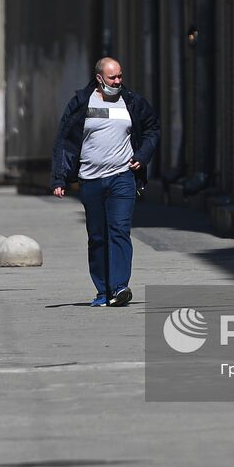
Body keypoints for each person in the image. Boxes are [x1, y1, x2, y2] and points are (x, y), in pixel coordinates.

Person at [51, 57, 160, 307]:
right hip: (91, 180)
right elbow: (64, 140)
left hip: (122, 177)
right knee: (98, 236)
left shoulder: (131, 101)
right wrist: (59, 177)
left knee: (120, 230)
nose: (118, 81)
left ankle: (120, 287)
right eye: (113, 77)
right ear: (100, 78)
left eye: (120, 76)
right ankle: (103, 290)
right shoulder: (81, 103)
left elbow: (153, 128)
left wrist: (142, 156)